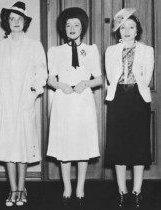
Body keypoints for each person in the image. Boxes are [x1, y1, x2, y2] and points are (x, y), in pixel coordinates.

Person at [0, 1, 47, 207]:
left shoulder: (34, 45)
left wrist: (32, 92)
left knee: (22, 145)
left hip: (24, 102)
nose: (15, 22)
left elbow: (41, 73)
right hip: (4, 103)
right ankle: (13, 188)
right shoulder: (0, 46)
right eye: (11, 19)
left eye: (19, 19)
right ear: (7, 22)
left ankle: (22, 188)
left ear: (25, 22)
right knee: (7, 146)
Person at [46, 7, 102, 207]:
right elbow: (50, 78)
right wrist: (60, 85)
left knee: (82, 143)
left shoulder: (91, 49)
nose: (72, 28)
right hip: (63, 100)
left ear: (82, 27)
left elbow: (99, 78)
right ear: (64, 28)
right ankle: (67, 186)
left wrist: (85, 83)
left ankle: (80, 186)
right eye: (68, 25)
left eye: (76, 25)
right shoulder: (56, 51)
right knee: (65, 144)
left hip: (82, 100)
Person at [105, 8, 154, 208]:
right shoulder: (110, 51)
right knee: (118, 145)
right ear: (118, 30)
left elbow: (147, 77)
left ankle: (136, 191)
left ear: (137, 30)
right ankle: (122, 191)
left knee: (138, 144)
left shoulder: (147, 50)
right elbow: (110, 75)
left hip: (138, 98)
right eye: (123, 27)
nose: (127, 31)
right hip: (118, 98)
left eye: (131, 27)